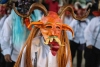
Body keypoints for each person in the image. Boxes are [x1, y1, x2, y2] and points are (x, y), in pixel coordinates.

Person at [0, 2, 42, 67]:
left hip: (32, 56)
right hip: (16, 56)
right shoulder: (11, 19)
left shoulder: (38, 18)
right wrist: (6, 51)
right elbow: (5, 36)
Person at [84, 1, 100, 67]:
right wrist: (89, 43)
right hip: (93, 47)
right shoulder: (96, 20)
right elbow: (87, 31)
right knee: (91, 64)